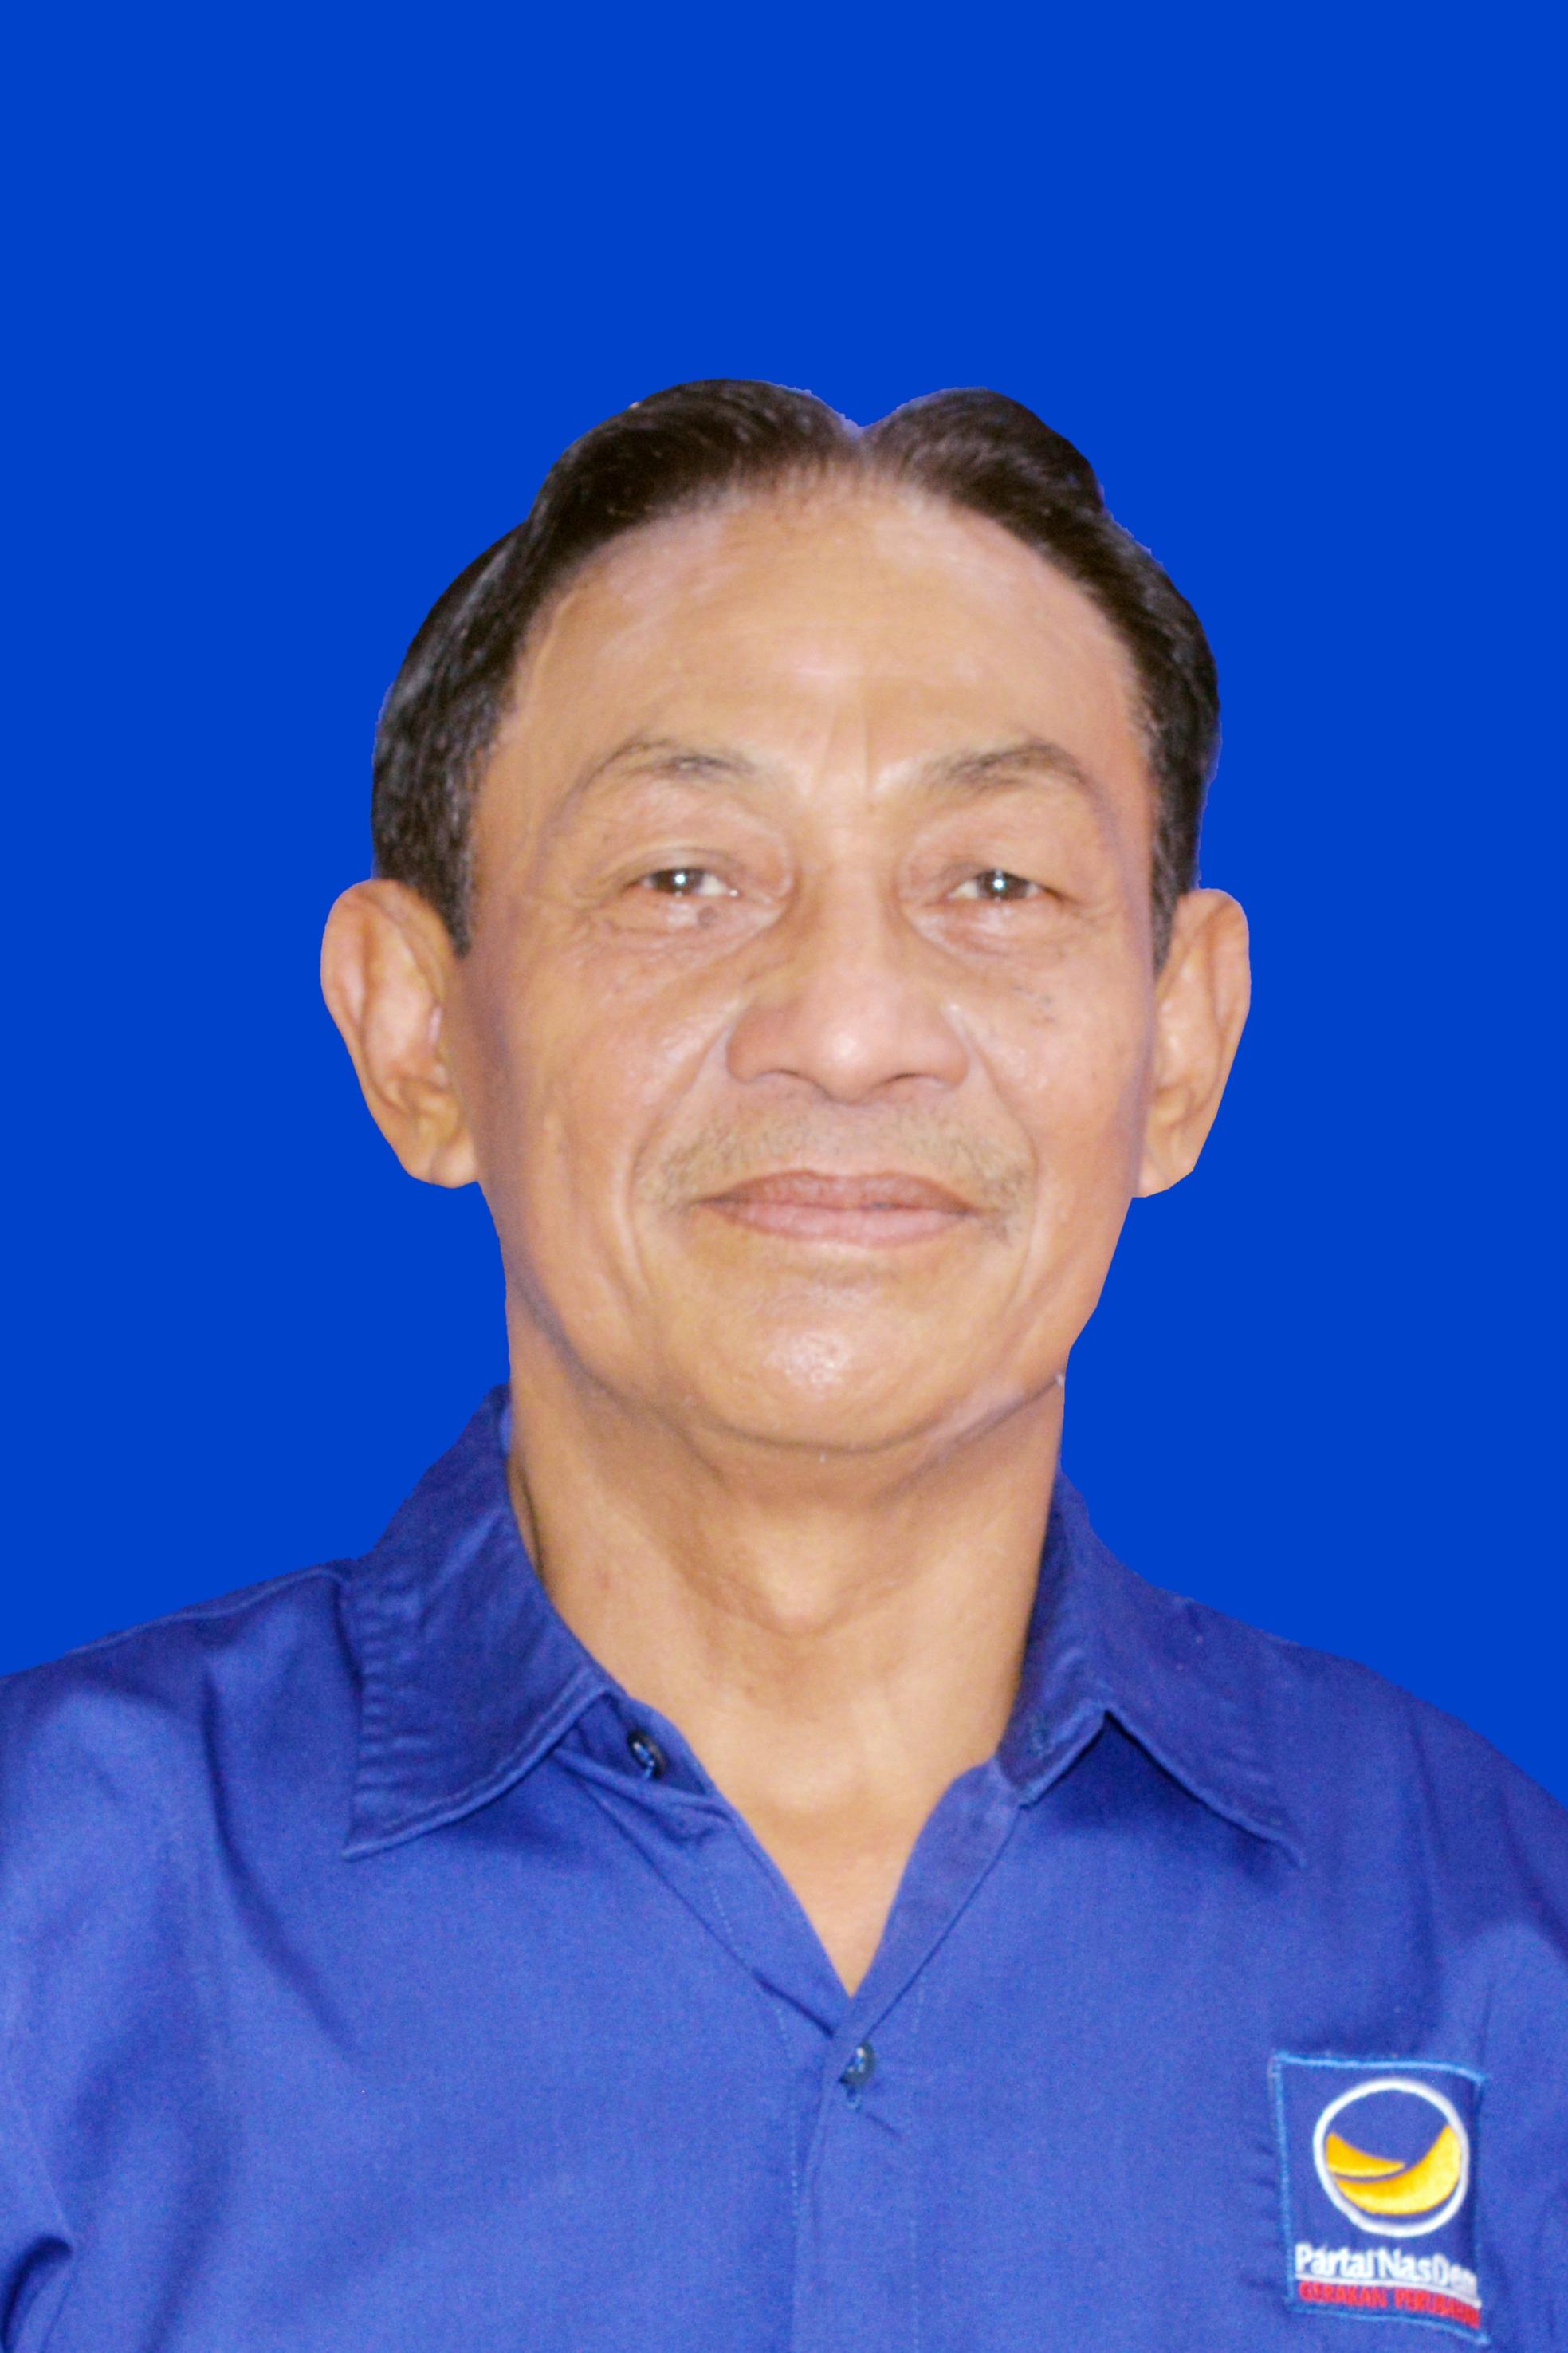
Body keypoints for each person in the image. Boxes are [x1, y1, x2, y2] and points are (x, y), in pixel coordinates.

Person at [2, 381, 1562, 2353]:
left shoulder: (1493, 1941)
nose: (846, 1024)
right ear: (416, 1034)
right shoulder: (49, 1929)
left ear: (1182, 1041)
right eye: (684, 878)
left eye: (994, 884)